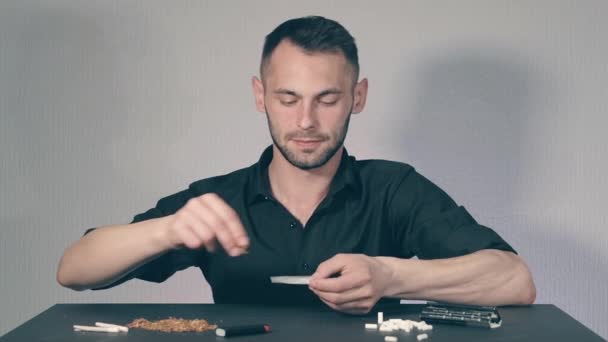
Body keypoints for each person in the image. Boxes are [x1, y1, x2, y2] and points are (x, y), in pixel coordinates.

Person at [57, 16, 535, 314]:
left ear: (358, 97)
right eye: (288, 99)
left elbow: (515, 280)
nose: (306, 121)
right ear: (260, 96)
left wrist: (392, 276)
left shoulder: (394, 188)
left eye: (327, 99)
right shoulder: (216, 199)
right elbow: (74, 270)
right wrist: (166, 230)